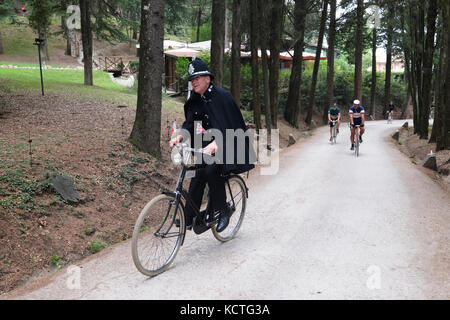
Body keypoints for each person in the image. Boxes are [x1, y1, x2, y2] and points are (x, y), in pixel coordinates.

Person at [169, 58, 255, 232]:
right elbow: (191, 123)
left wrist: (218, 142)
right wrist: (180, 136)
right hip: (206, 146)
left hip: (229, 144)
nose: (194, 82)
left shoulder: (222, 97)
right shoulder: (195, 99)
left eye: (197, 78)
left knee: (211, 170)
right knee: (197, 174)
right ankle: (189, 215)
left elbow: (232, 125)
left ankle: (222, 210)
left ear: (207, 78)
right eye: (192, 79)